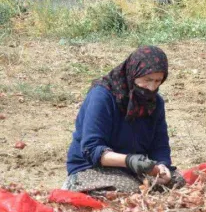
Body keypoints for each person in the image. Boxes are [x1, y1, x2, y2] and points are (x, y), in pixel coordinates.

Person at [63, 46, 184, 194]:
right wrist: (129, 160)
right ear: (133, 73)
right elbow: (91, 148)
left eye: (158, 81)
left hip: (135, 168)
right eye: (147, 80)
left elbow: (160, 146)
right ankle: (74, 185)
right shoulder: (103, 96)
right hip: (93, 167)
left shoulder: (155, 103)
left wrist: (162, 166)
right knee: (130, 192)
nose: (152, 87)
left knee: (178, 182)